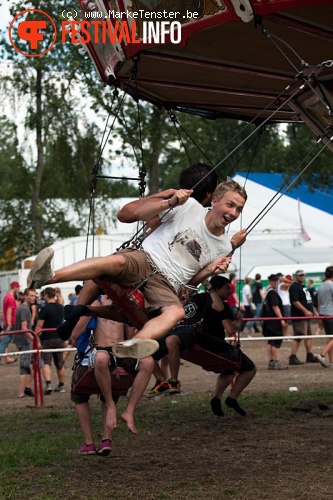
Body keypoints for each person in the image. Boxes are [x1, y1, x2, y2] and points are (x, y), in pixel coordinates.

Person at [27, 180, 248, 359]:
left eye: (239, 209)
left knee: (176, 312)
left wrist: (210, 269)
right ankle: (48, 277)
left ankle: (135, 343)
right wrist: (170, 201)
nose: (234, 212)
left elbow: (192, 281)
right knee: (115, 262)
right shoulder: (190, 207)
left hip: (169, 283)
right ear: (215, 200)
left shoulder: (224, 246)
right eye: (230, 205)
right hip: (146, 259)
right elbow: (140, 213)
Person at [71, 295, 154, 454]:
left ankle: (128, 412)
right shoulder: (96, 303)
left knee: (148, 362)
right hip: (100, 350)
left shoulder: (124, 303)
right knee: (101, 359)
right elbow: (75, 336)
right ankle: (93, 437)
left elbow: (130, 337)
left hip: (121, 350)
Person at [146, 279, 224, 397]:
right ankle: (162, 381)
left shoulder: (202, 297)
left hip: (191, 330)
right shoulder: (174, 301)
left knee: (171, 340)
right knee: (146, 348)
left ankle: (174, 381)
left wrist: (209, 286)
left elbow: (219, 308)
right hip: (173, 329)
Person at [198, 276, 256, 417]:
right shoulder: (223, 307)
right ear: (216, 289)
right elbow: (230, 330)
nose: (229, 292)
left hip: (200, 345)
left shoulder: (202, 301)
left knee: (229, 369)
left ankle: (217, 398)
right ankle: (232, 398)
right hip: (217, 348)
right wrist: (239, 321)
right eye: (226, 288)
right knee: (250, 368)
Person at [35, 287, 66, 394]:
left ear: (46, 295)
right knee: (60, 363)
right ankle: (61, 385)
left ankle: (48, 384)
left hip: (47, 339)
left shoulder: (45, 309)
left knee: (46, 362)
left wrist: (36, 336)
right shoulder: (61, 307)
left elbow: (39, 325)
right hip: (59, 338)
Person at [14, 288, 42, 398]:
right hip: (24, 342)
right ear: (25, 296)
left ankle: (26, 387)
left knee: (38, 365)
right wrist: (34, 340)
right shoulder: (24, 309)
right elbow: (24, 329)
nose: (33, 297)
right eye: (31, 295)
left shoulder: (25, 308)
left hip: (25, 341)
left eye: (34, 295)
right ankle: (21, 392)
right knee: (25, 367)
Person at [288, 270, 318, 365]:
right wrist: (305, 311)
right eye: (300, 275)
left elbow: (308, 301)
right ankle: (293, 357)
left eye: (303, 275)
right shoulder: (294, 287)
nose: (302, 277)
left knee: (308, 336)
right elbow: (295, 301)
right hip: (299, 316)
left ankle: (309, 355)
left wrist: (314, 311)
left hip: (306, 316)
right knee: (299, 336)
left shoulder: (303, 286)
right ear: (296, 276)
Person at [261, 275, 288, 370]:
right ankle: (277, 362)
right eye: (274, 281)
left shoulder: (268, 293)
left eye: (277, 280)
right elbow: (275, 306)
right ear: (270, 281)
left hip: (268, 321)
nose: (276, 282)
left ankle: (271, 362)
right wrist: (282, 319)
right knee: (276, 342)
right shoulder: (272, 293)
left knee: (270, 342)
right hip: (274, 321)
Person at [315, 266, 333, 367]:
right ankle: (322, 354)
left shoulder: (321, 286)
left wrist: (319, 316)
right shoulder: (331, 285)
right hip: (331, 314)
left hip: (323, 314)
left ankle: (332, 361)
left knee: (330, 338)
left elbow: (319, 302)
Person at [0, 281, 20, 364]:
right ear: (14, 287)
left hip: (8, 322)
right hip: (11, 323)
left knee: (5, 342)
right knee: (5, 342)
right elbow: (9, 312)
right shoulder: (11, 298)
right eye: (18, 287)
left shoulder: (6, 297)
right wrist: (9, 325)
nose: (18, 289)